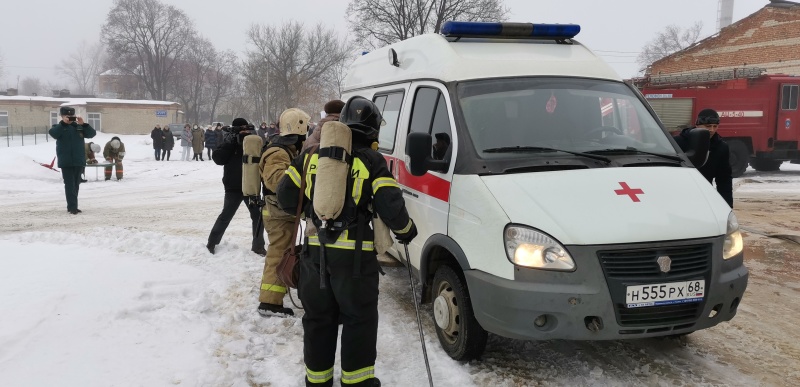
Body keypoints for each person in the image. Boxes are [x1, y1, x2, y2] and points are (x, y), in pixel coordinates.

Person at [276, 96, 417, 387]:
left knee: (317, 321)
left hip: (314, 259)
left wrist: (315, 213)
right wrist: (407, 231)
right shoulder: (371, 160)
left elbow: (286, 198)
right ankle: (357, 383)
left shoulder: (311, 155)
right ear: (373, 130)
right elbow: (392, 208)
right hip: (354, 264)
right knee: (359, 321)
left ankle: (317, 382)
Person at [256, 108, 310, 317]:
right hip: (276, 213)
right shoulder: (278, 151)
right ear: (299, 127)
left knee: (283, 252)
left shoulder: (287, 149)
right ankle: (269, 302)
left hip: (281, 212)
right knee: (278, 254)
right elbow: (277, 181)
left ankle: (274, 297)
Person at [207, 118, 267, 255]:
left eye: (246, 129)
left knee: (258, 217)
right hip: (233, 187)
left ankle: (258, 246)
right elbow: (218, 159)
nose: (244, 132)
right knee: (225, 216)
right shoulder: (229, 142)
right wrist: (231, 142)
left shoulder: (253, 141)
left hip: (251, 185)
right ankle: (212, 243)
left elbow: (263, 158)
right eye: (241, 130)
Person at [674, 108, 733, 207]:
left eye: (715, 126)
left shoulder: (721, 147)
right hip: (680, 194)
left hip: (704, 195)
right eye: (708, 126)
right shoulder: (678, 143)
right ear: (697, 125)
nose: (712, 130)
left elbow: (724, 179)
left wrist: (727, 205)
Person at [49, 106, 97, 214]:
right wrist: (64, 123)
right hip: (66, 162)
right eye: (67, 116)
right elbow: (53, 133)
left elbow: (92, 134)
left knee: (76, 184)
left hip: (78, 160)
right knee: (69, 184)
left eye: (71, 116)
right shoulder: (58, 127)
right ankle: (72, 207)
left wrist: (83, 124)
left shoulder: (78, 127)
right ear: (62, 116)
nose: (69, 118)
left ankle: (73, 205)